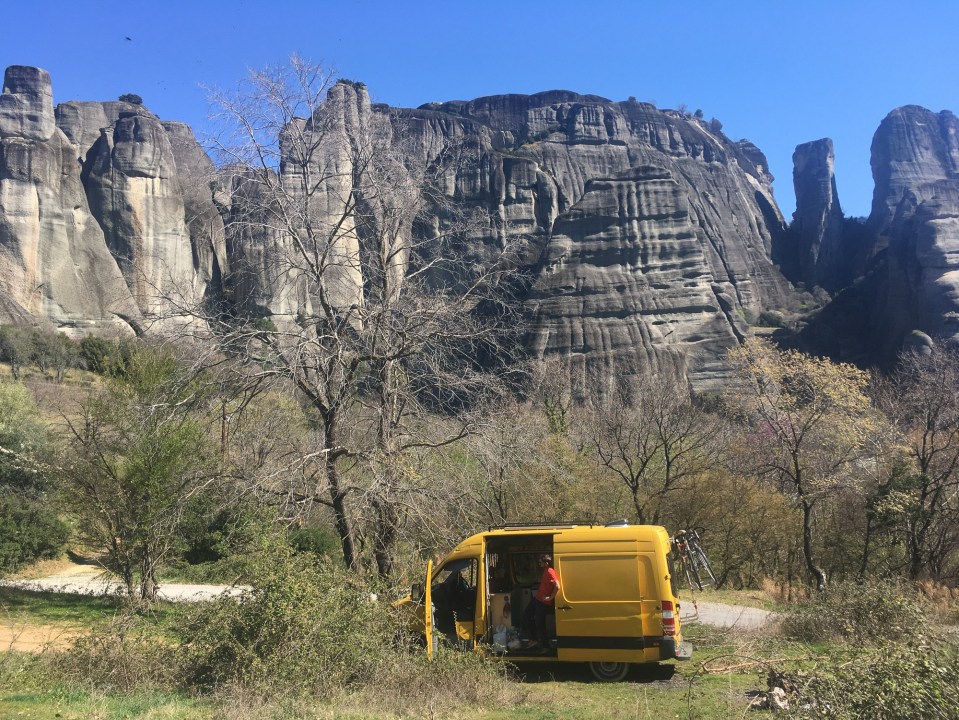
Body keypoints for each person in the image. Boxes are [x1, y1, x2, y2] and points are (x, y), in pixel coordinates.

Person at [523, 553, 559, 651]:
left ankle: (545, 646)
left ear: (546, 563)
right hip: (537, 599)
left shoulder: (550, 571)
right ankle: (533, 639)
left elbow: (557, 586)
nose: (539, 564)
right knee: (527, 615)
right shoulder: (546, 570)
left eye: (540, 562)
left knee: (540, 624)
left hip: (543, 602)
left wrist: (550, 598)